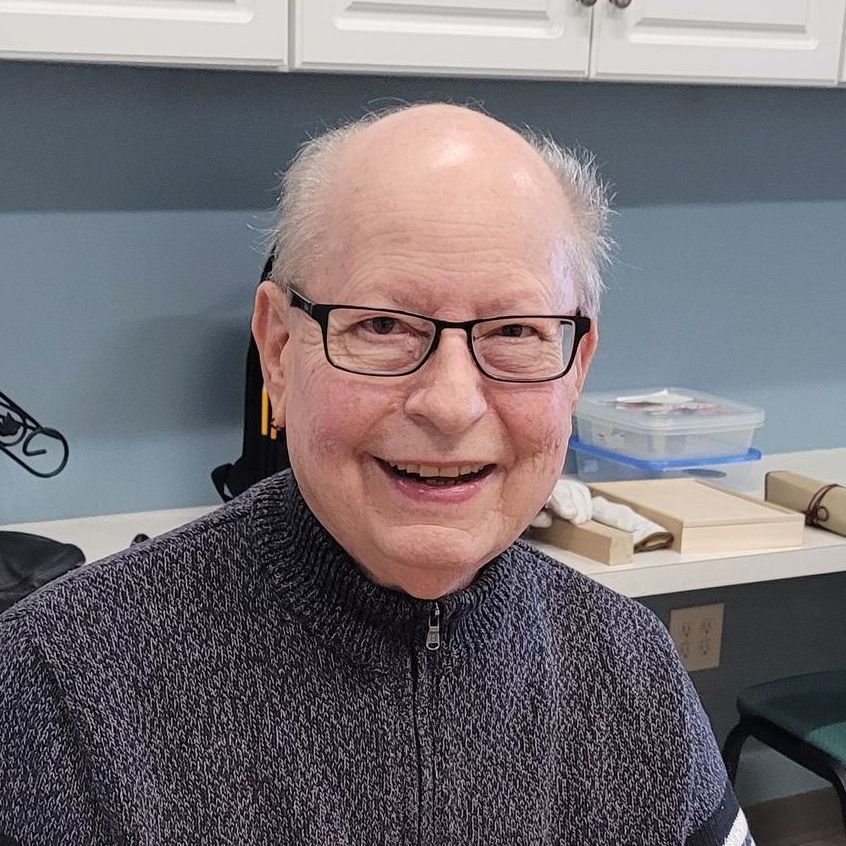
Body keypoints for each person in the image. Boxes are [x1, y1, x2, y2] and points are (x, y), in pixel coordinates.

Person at [0, 104, 752, 845]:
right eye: (382, 325)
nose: (452, 404)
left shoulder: (632, 669)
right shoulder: (60, 688)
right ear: (278, 350)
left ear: (577, 366)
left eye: (517, 331)